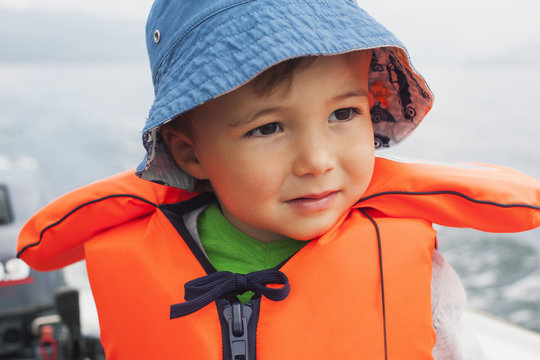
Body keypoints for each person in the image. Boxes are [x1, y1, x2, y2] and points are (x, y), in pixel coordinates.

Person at [17, 0, 540, 359]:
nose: (317, 160)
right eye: (268, 127)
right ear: (188, 151)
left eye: (344, 115)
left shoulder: (418, 269)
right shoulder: (135, 255)